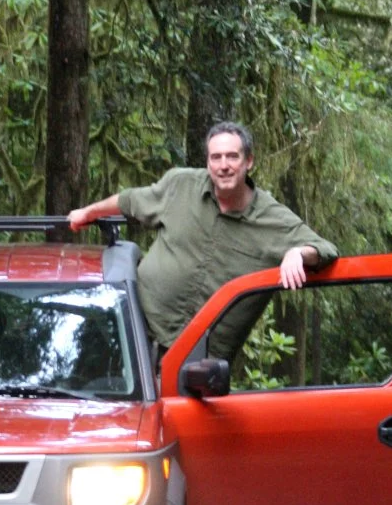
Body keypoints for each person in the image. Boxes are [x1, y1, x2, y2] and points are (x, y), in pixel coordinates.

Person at [68, 122, 337, 353]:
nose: (223, 166)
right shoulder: (180, 185)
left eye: (232, 157)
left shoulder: (273, 218)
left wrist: (297, 253)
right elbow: (129, 200)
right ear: (207, 161)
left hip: (199, 363)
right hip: (136, 337)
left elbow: (325, 250)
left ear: (249, 161)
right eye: (215, 157)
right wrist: (87, 212)